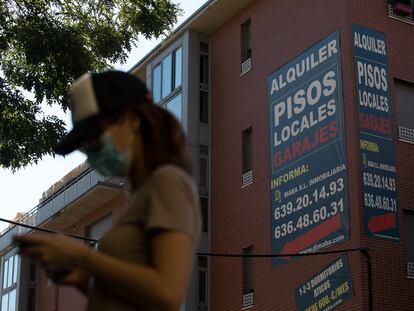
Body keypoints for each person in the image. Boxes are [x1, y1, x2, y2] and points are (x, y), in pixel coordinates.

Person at [14, 70, 201, 311]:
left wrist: (81, 257)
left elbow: (167, 292)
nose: (91, 155)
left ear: (133, 120)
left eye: (94, 139)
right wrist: (85, 281)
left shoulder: (168, 181)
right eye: (84, 148)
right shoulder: (143, 193)